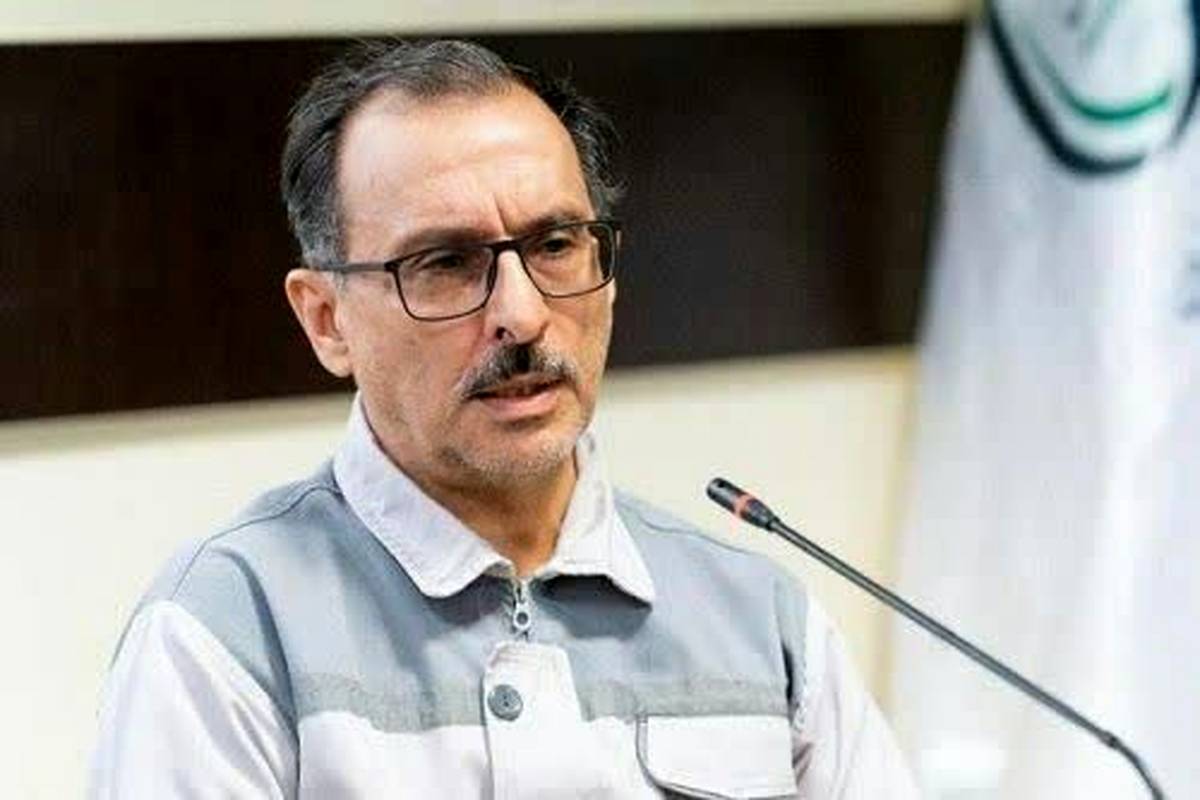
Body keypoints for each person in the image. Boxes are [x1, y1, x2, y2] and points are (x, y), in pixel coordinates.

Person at [89, 39, 916, 798]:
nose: (520, 314)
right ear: (327, 321)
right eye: (447, 262)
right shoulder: (227, 633)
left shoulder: (763, 622)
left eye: (555, 245)